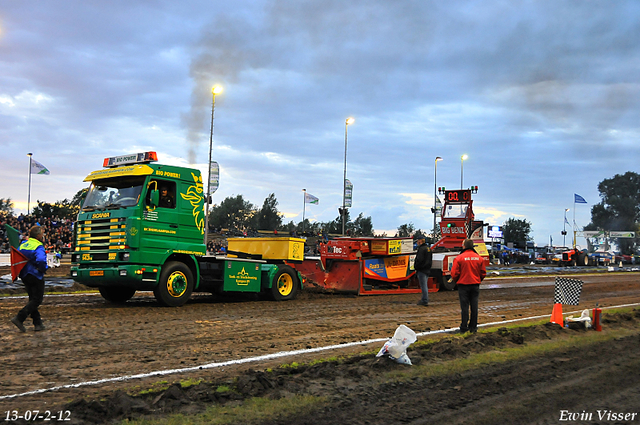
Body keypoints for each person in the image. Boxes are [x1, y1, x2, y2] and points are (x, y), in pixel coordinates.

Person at [11, 225, 48, 332]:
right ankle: (19, 317)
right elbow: (41, 260)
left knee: (32, 299)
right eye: (42, 234)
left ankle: (38, 323)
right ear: (38, 235)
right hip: (35, 274)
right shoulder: (38, 245)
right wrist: (43, 269)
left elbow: (17, 255)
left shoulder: (23, 244)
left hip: (24, 274)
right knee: (37, 299)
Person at [450, 238, 486, 333]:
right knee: (474, 306)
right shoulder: (479, 258)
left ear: (464, 246)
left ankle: (464, 327)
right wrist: (478, 280)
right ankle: (473, 327)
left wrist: (457, 281)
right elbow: (483, 272)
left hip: (463, 285)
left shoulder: (459, 258)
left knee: (464, 307)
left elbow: (454, 273)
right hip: (475, 284)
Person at [414, 235, 432, 306]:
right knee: (425, 285)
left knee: (423, 286)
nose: (417, 242)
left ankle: (424, 300)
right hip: (427, 269)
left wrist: (416, 267)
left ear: (420, 241)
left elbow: (419, 260)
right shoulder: (428, 248)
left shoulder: (421, 249)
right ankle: (424, 299)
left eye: (418, 240)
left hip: (422, 269)